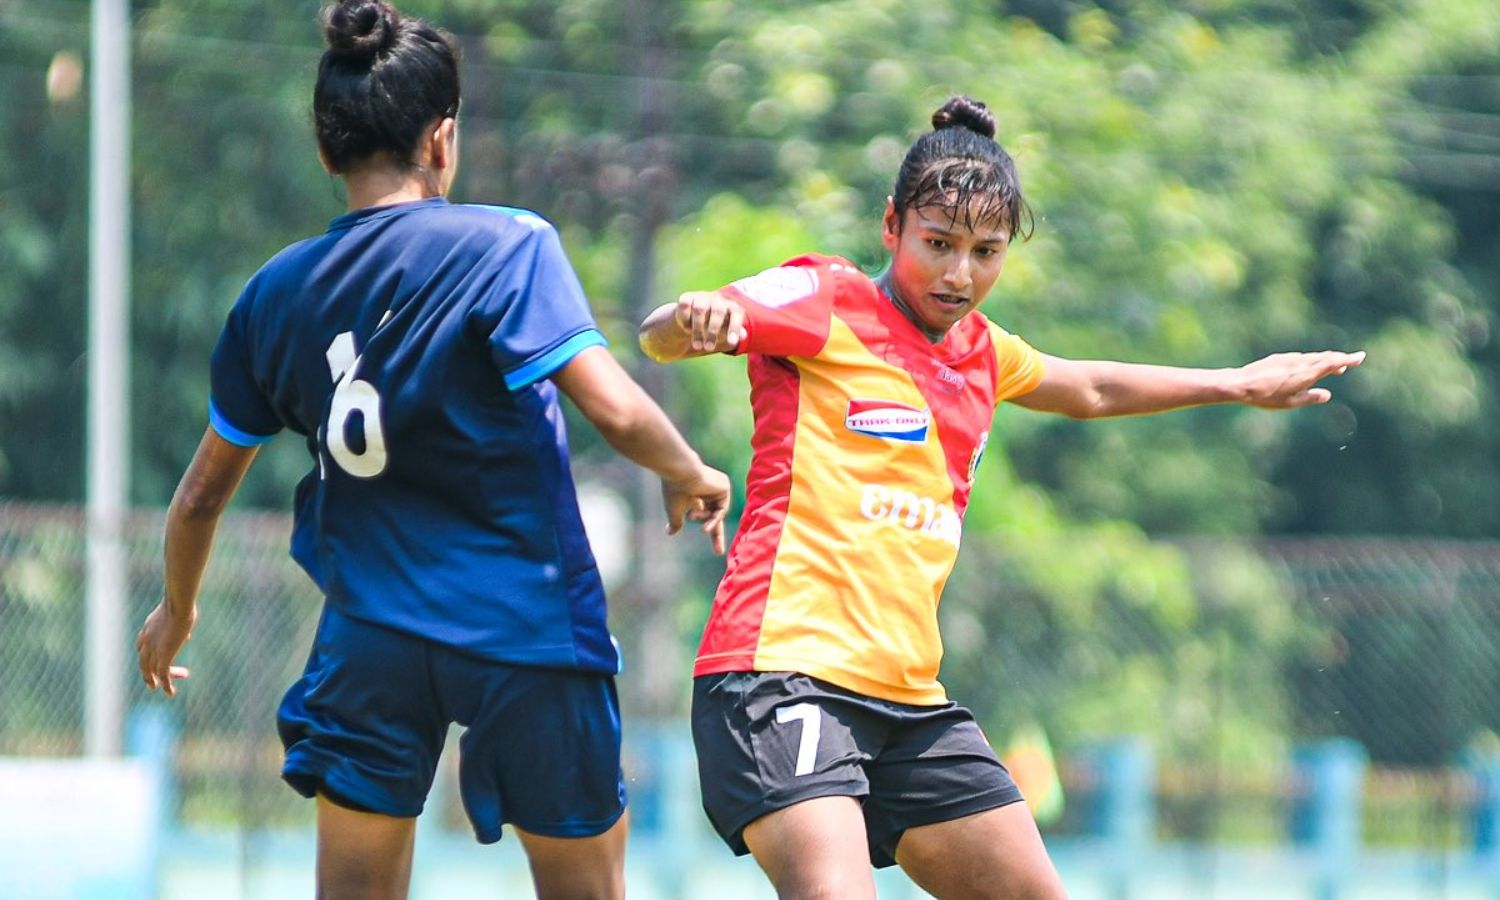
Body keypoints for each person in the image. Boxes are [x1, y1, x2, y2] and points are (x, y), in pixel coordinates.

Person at [639, 95, 1363, 900]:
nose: (959, 274)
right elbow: (662, 331)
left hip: (907, 702)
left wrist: (1237, 383)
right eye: (938, 245)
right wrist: (691, 318)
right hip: (782, 674)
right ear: (891, 226)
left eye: (986, 252)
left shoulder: (984, 353)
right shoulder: (827, 299)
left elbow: (1087, 386)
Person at [133, 2, 731, 897]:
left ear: (328, 148)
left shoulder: (274, 293)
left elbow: (198, 501)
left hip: (370, 639)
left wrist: (175, 611)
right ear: (442, 138)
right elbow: (614, 408)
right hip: (526, 633)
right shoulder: (508, 246)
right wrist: (692, 472)